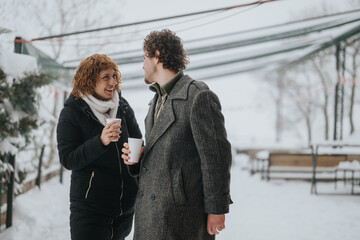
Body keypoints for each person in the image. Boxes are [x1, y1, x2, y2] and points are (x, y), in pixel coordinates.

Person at [122, 29, 232, 240]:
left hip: (180, 216)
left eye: (144, 58)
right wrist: (137, 159)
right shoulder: (155, 100)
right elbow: (163, 154)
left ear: (156, 55)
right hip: (150, 214)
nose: (142, 64)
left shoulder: (197, 95)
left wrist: (217, 209)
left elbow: (215, 158)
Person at [56, 54, 142, 240]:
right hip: (91, 210)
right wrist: (100, 141)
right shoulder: (72, 113)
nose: (113, 82)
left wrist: (135, 156)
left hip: (124, 209)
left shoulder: (123, 107)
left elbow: (137, 139)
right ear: (89, 81)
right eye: (106, 77)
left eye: (114, 76)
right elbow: (68, 159)